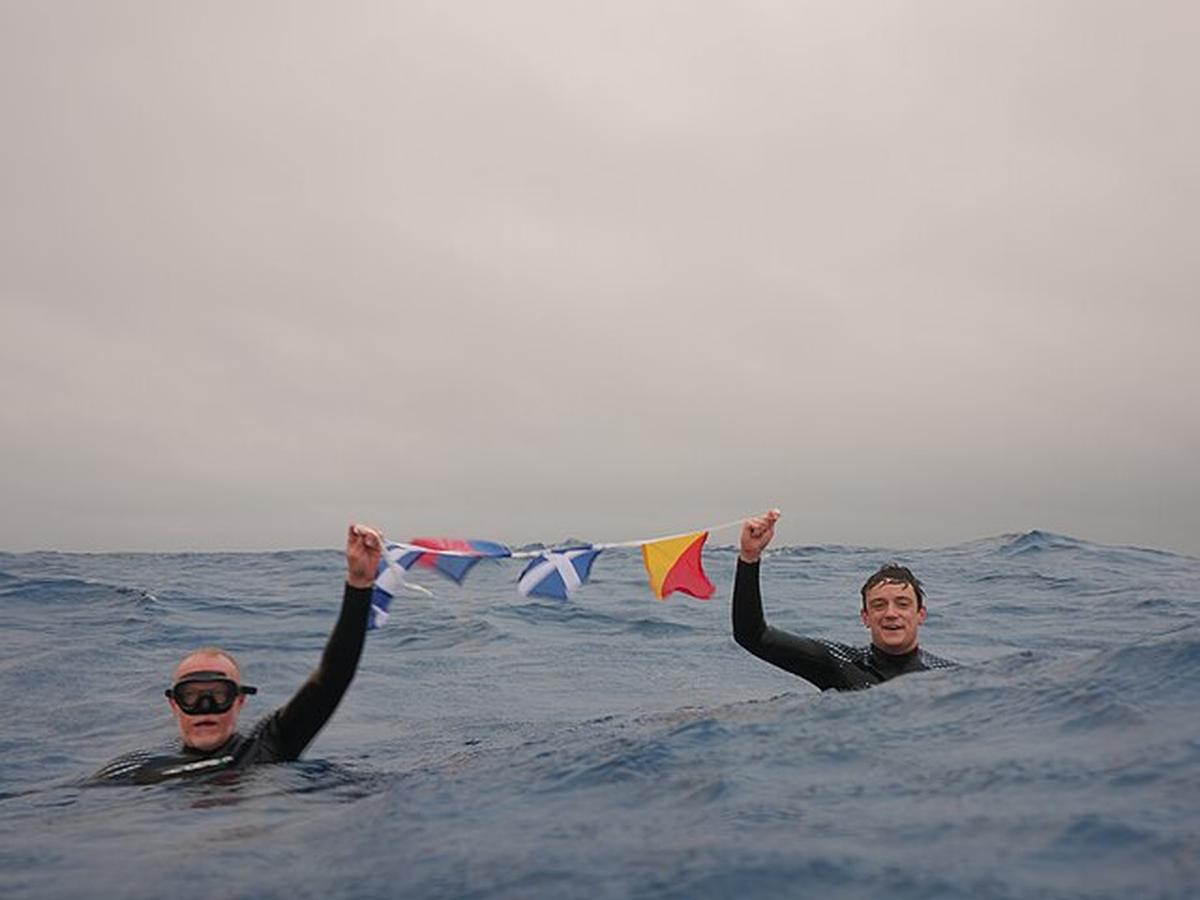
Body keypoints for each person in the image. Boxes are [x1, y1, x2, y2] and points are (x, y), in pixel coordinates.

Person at [94, 524, 384, 783]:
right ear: (174, 704)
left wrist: (359, 585)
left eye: (219, 695)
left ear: (240, 701)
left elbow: (332, 679)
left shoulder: (268, 746)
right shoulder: (140, 771)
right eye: (191, 696)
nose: (205, 707)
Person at [732, 510, 954, 690]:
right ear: (865, 617)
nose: (890, 613)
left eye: (903, 604)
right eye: (878, 605)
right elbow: (753, 636)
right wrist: (749, 558)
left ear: (920, 615)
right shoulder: (839, 662)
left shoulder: (949, 677)